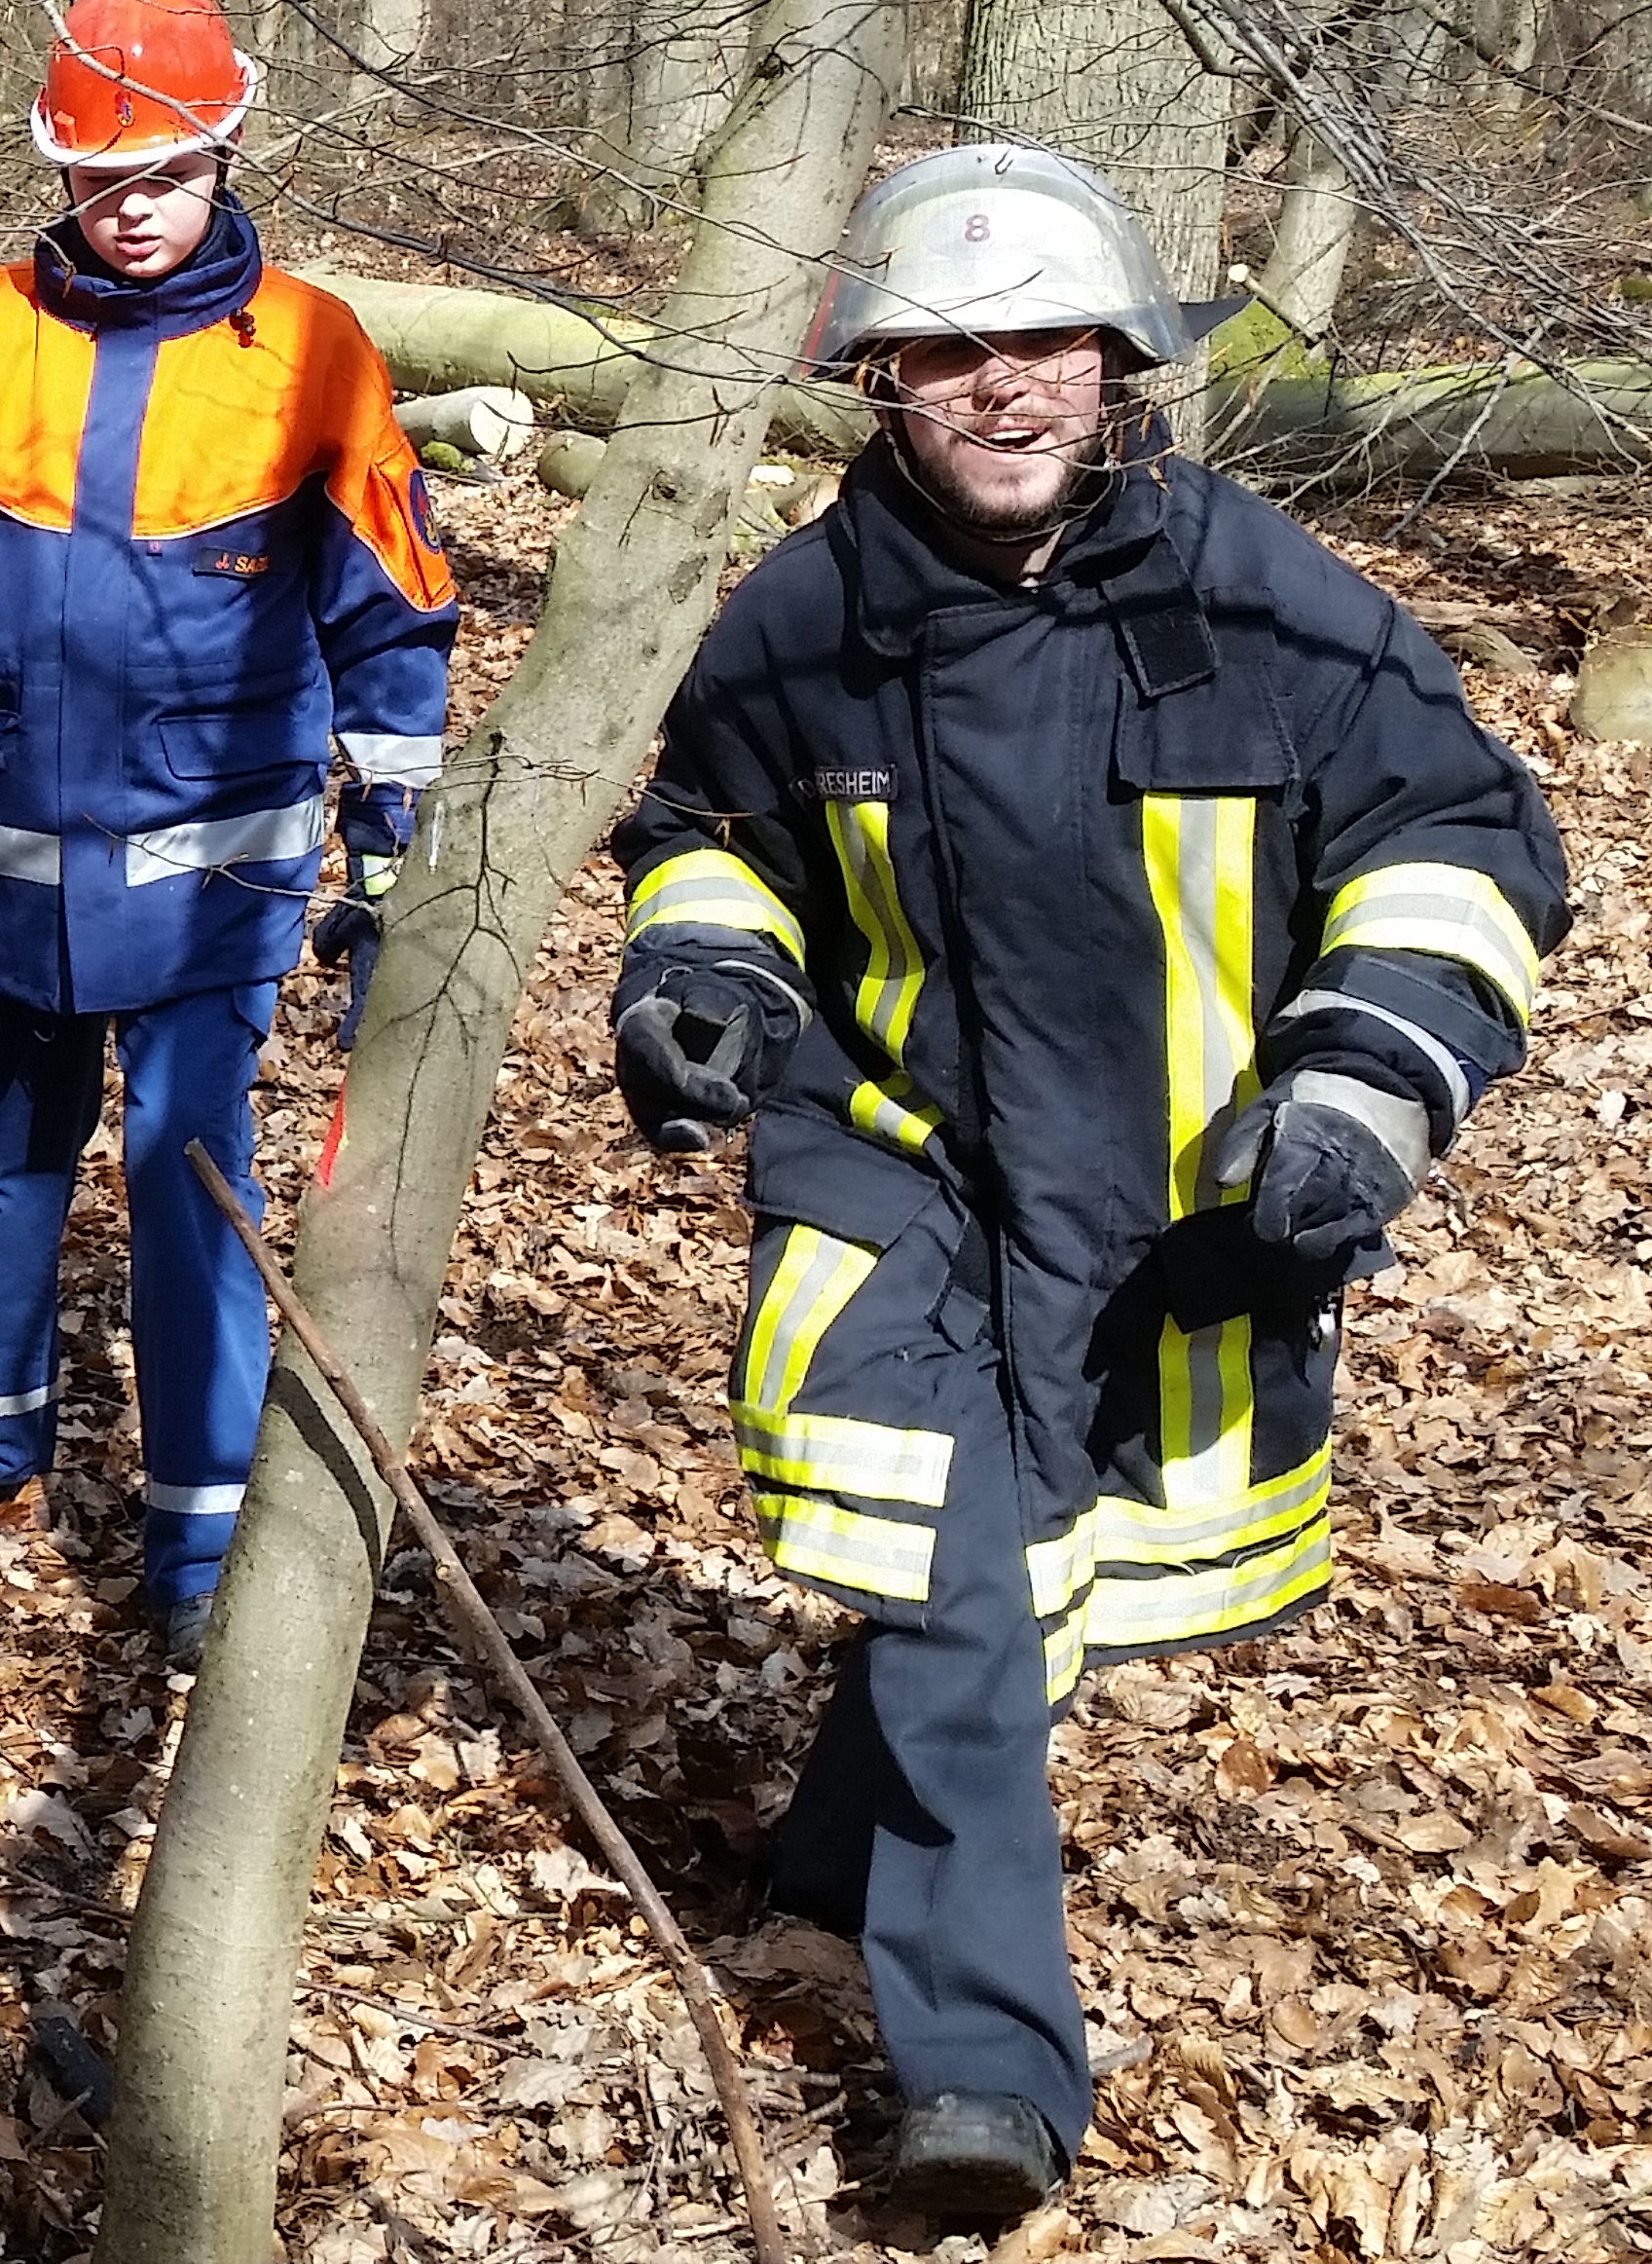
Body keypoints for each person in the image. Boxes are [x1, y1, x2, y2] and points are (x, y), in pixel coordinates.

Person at [606, 143, 1560, 2221]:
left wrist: (1360, 1086)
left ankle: (836, 1849)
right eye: (945, 352)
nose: (1000, 387)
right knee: (955, 1571)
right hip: (895, 1181)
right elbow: (699, 832)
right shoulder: (803, 621)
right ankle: (989, 2079)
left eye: (1041, 340)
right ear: (873, 377)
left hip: (1172, 1212)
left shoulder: (1262, 601)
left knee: (1027, 1595)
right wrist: (695, 971)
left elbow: (1461, 846)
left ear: (1119, 360)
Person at [0, 0, 459, 1670]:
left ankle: (201, 1525)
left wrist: (393, 834)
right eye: (105, 179)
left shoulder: (311, 355)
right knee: (9, 1167)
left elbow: (390, 618)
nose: (134, 210)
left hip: (212, 878)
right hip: (7, 858)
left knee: (189, 1181)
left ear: (224, 154)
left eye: (168, 176)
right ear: (56, 170)